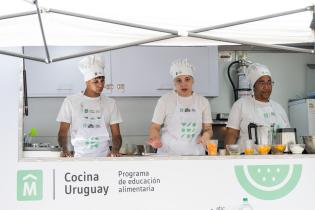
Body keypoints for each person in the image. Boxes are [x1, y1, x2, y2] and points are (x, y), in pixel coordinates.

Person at [56, 54, 123, 157]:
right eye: (95, 81)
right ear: (87, 82)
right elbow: (63, 132)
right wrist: (65, 149)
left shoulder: (110, 103)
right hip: (79, 158)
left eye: (102, 80)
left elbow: (116, 134)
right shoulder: (70, 102)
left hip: (104, 158)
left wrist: (115, 150)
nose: (100, 85)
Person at [148, 59, 213, 155]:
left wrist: (206, 135)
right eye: (179, 80)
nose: (183, 84)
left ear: (193, 81)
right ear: (174, 83)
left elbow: (208, 127)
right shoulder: (165, 100)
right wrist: (155, 138)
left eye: (187, 79)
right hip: (168, 154)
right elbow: (155, 127)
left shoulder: (203, 101)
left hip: (195, 154)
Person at [224, 63, 290, 151]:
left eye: (269, 82)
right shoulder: (240, 105)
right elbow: (232, 134)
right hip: (247, 159)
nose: (266, 87)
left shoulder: (279, 108)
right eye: (261, 83)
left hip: (276, 158)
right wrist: (227, 157)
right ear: (253, 86)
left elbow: (288, 136)